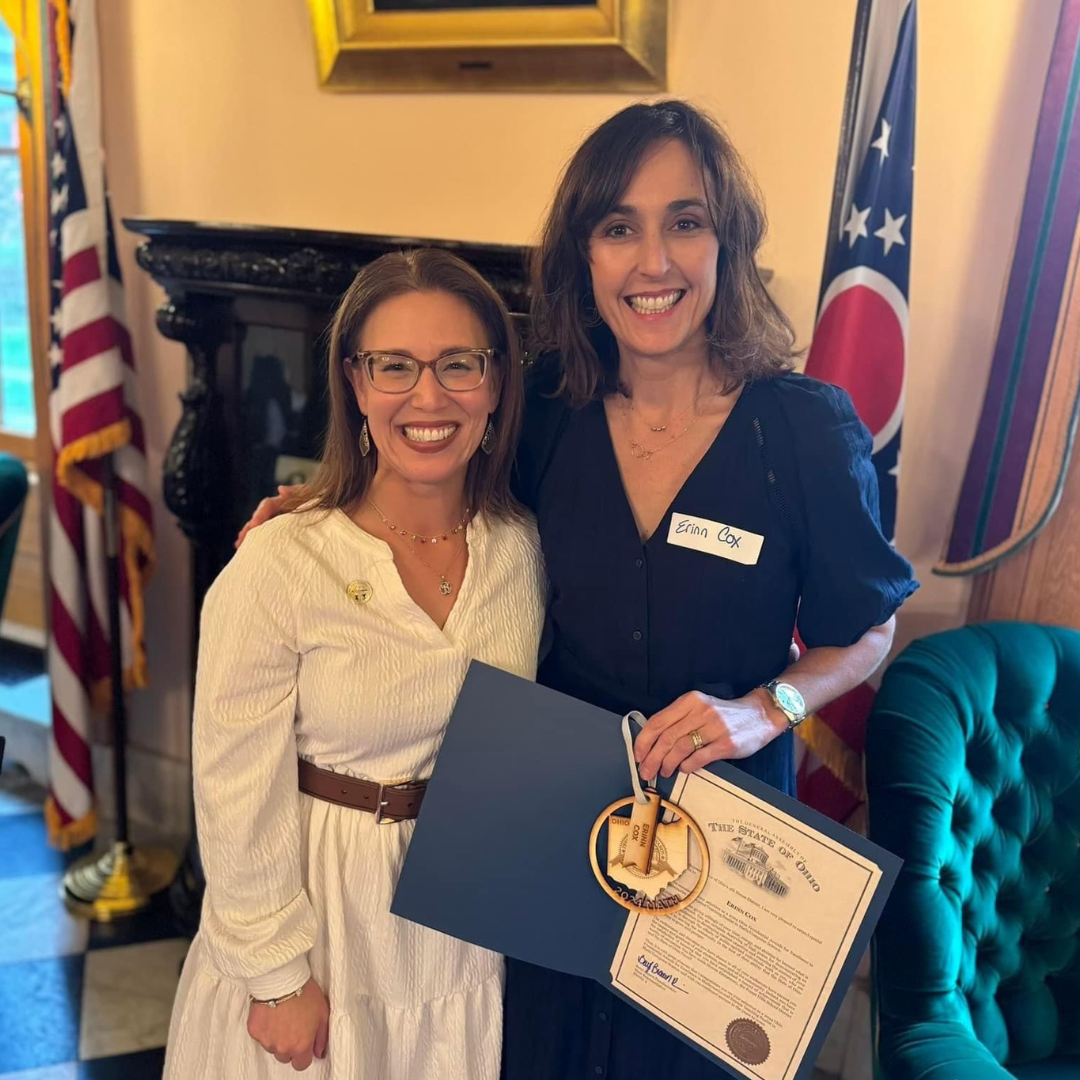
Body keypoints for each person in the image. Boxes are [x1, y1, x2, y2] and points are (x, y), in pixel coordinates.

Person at [239, 100, 918, 1079]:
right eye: (618, 228)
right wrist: (321, 500)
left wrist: (764, 709)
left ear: (726, 243)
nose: (654, 261)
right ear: (582, 257)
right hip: (550, 815)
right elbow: (437, 486)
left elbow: (869, 626)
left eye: (685, 222)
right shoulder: (547, 407)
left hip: (719, 833)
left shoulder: (804, 431)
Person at [165, 249, 545, 1079]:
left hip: (459, 920)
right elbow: (232, 786)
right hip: (321, 917)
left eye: (459, 364)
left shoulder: (521, 549)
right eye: (394, 366)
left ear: (497, 382)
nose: (429, 396)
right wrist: (274, 975)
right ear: (354, 383)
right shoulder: (281, 563)